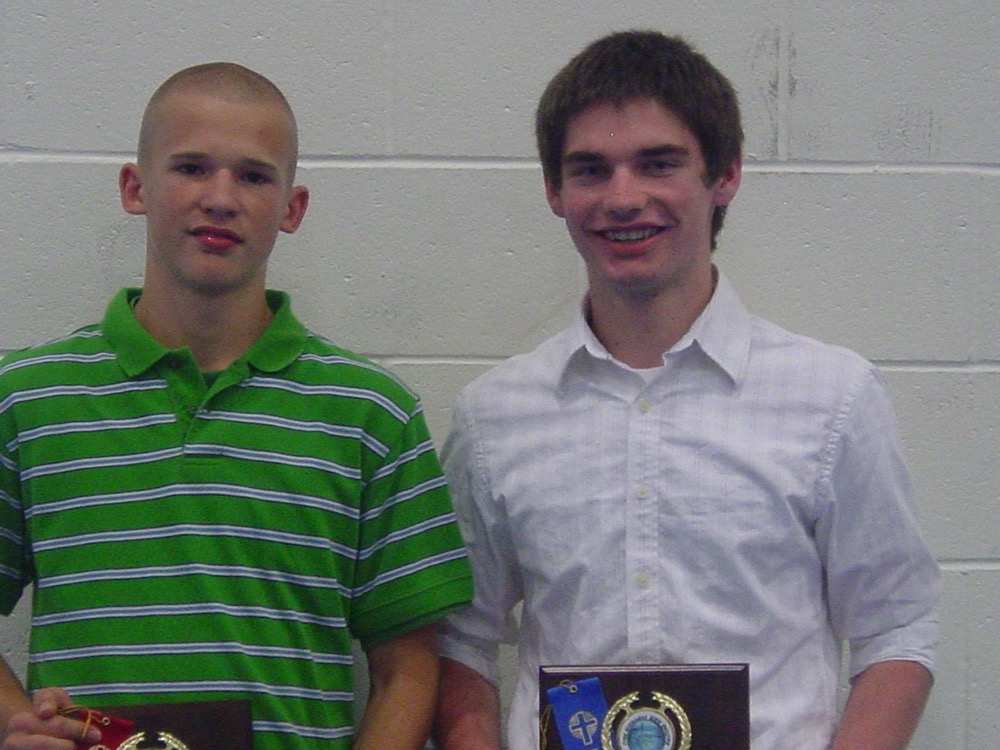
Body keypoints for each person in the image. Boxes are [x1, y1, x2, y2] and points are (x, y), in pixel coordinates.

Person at [433, 30, 941, 750]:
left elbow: (897, 630)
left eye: (658, 164)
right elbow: (460, 641)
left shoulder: (833, 397)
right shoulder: (494, 417)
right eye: (590, 170)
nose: (623, 198)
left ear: (724, 175)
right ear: (554, 191)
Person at [0, 62, 472, 750]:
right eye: (191, 168)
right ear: (135, 188)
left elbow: (408, 672)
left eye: (253, 176)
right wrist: (17, 725)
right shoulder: (26, 398)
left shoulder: (371, 414)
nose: (220, 199)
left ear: (292, 208)